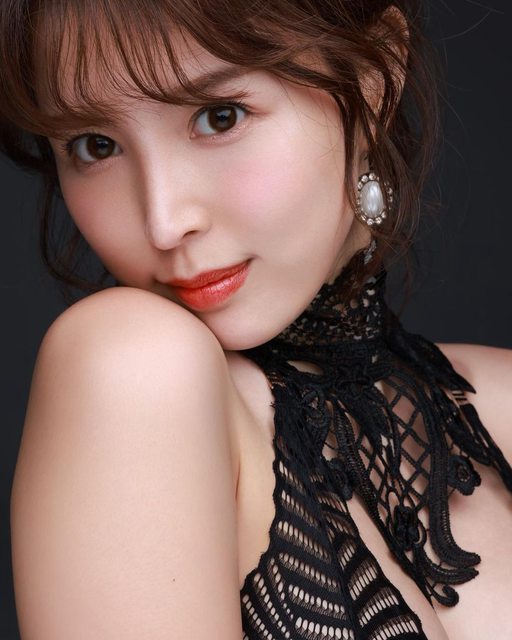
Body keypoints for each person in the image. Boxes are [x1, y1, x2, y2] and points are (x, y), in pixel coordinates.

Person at [1, 1, 511, 638]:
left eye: (220, 116)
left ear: (374, 82)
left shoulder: (499, 400)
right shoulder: (129, 370)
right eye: (94, 145)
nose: (164, 221)